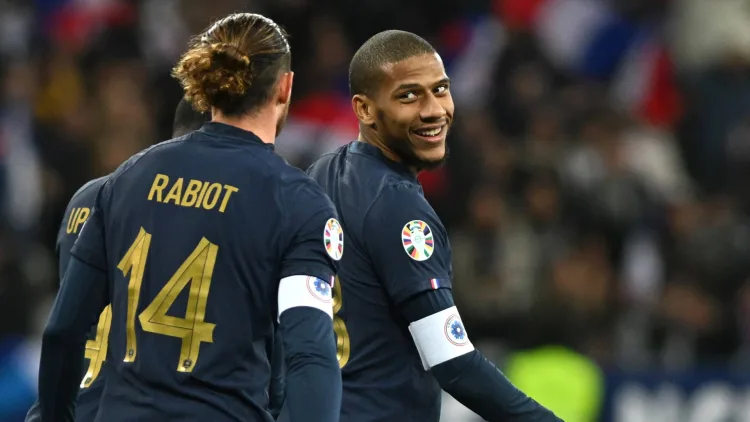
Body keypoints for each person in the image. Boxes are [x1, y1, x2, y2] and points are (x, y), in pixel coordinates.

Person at [38, 13, 342, 422]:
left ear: (206, 84)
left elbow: (64, 331)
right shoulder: (298, 200)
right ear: (285, 87)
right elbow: (309, 357)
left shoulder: (128, 178)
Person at [306, 30, 562, 422]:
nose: (434, 110)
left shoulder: (321, 173)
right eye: (409, 95)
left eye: (440, 90)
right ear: (364, 109)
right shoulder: (399, 207)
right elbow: (453, 363)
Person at [25, 98, 209, 422]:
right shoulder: (192, 215)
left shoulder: (83, 198)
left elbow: (63, 327)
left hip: (69, 402)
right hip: (131, 403)